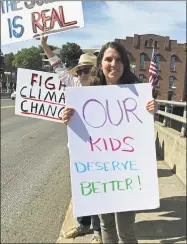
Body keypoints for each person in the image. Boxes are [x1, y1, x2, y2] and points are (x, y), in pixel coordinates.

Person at [61, 41, 158, 244]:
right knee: (106, 226)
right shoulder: (90, 92)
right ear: (101, 64)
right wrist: (69, 117)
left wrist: (151, 110)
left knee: (126, 231)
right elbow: (83, 134)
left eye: (118, 59)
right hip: (100, 174)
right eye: (108, 59)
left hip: (126, 174)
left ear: (124, 64)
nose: (113, 64)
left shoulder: (137, 93)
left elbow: (143, 134)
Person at [41, 35, 102, 244]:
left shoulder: (104, 90)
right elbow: (58, 67)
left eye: (87, 69)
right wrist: (44, 46)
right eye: (81, 69)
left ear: (95, 71)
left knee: (97, 189)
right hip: (77, 147)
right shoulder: (74, 84)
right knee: (80, 188)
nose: (83, 73)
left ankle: (98, 231)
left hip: (101, 148)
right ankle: (83, 224)